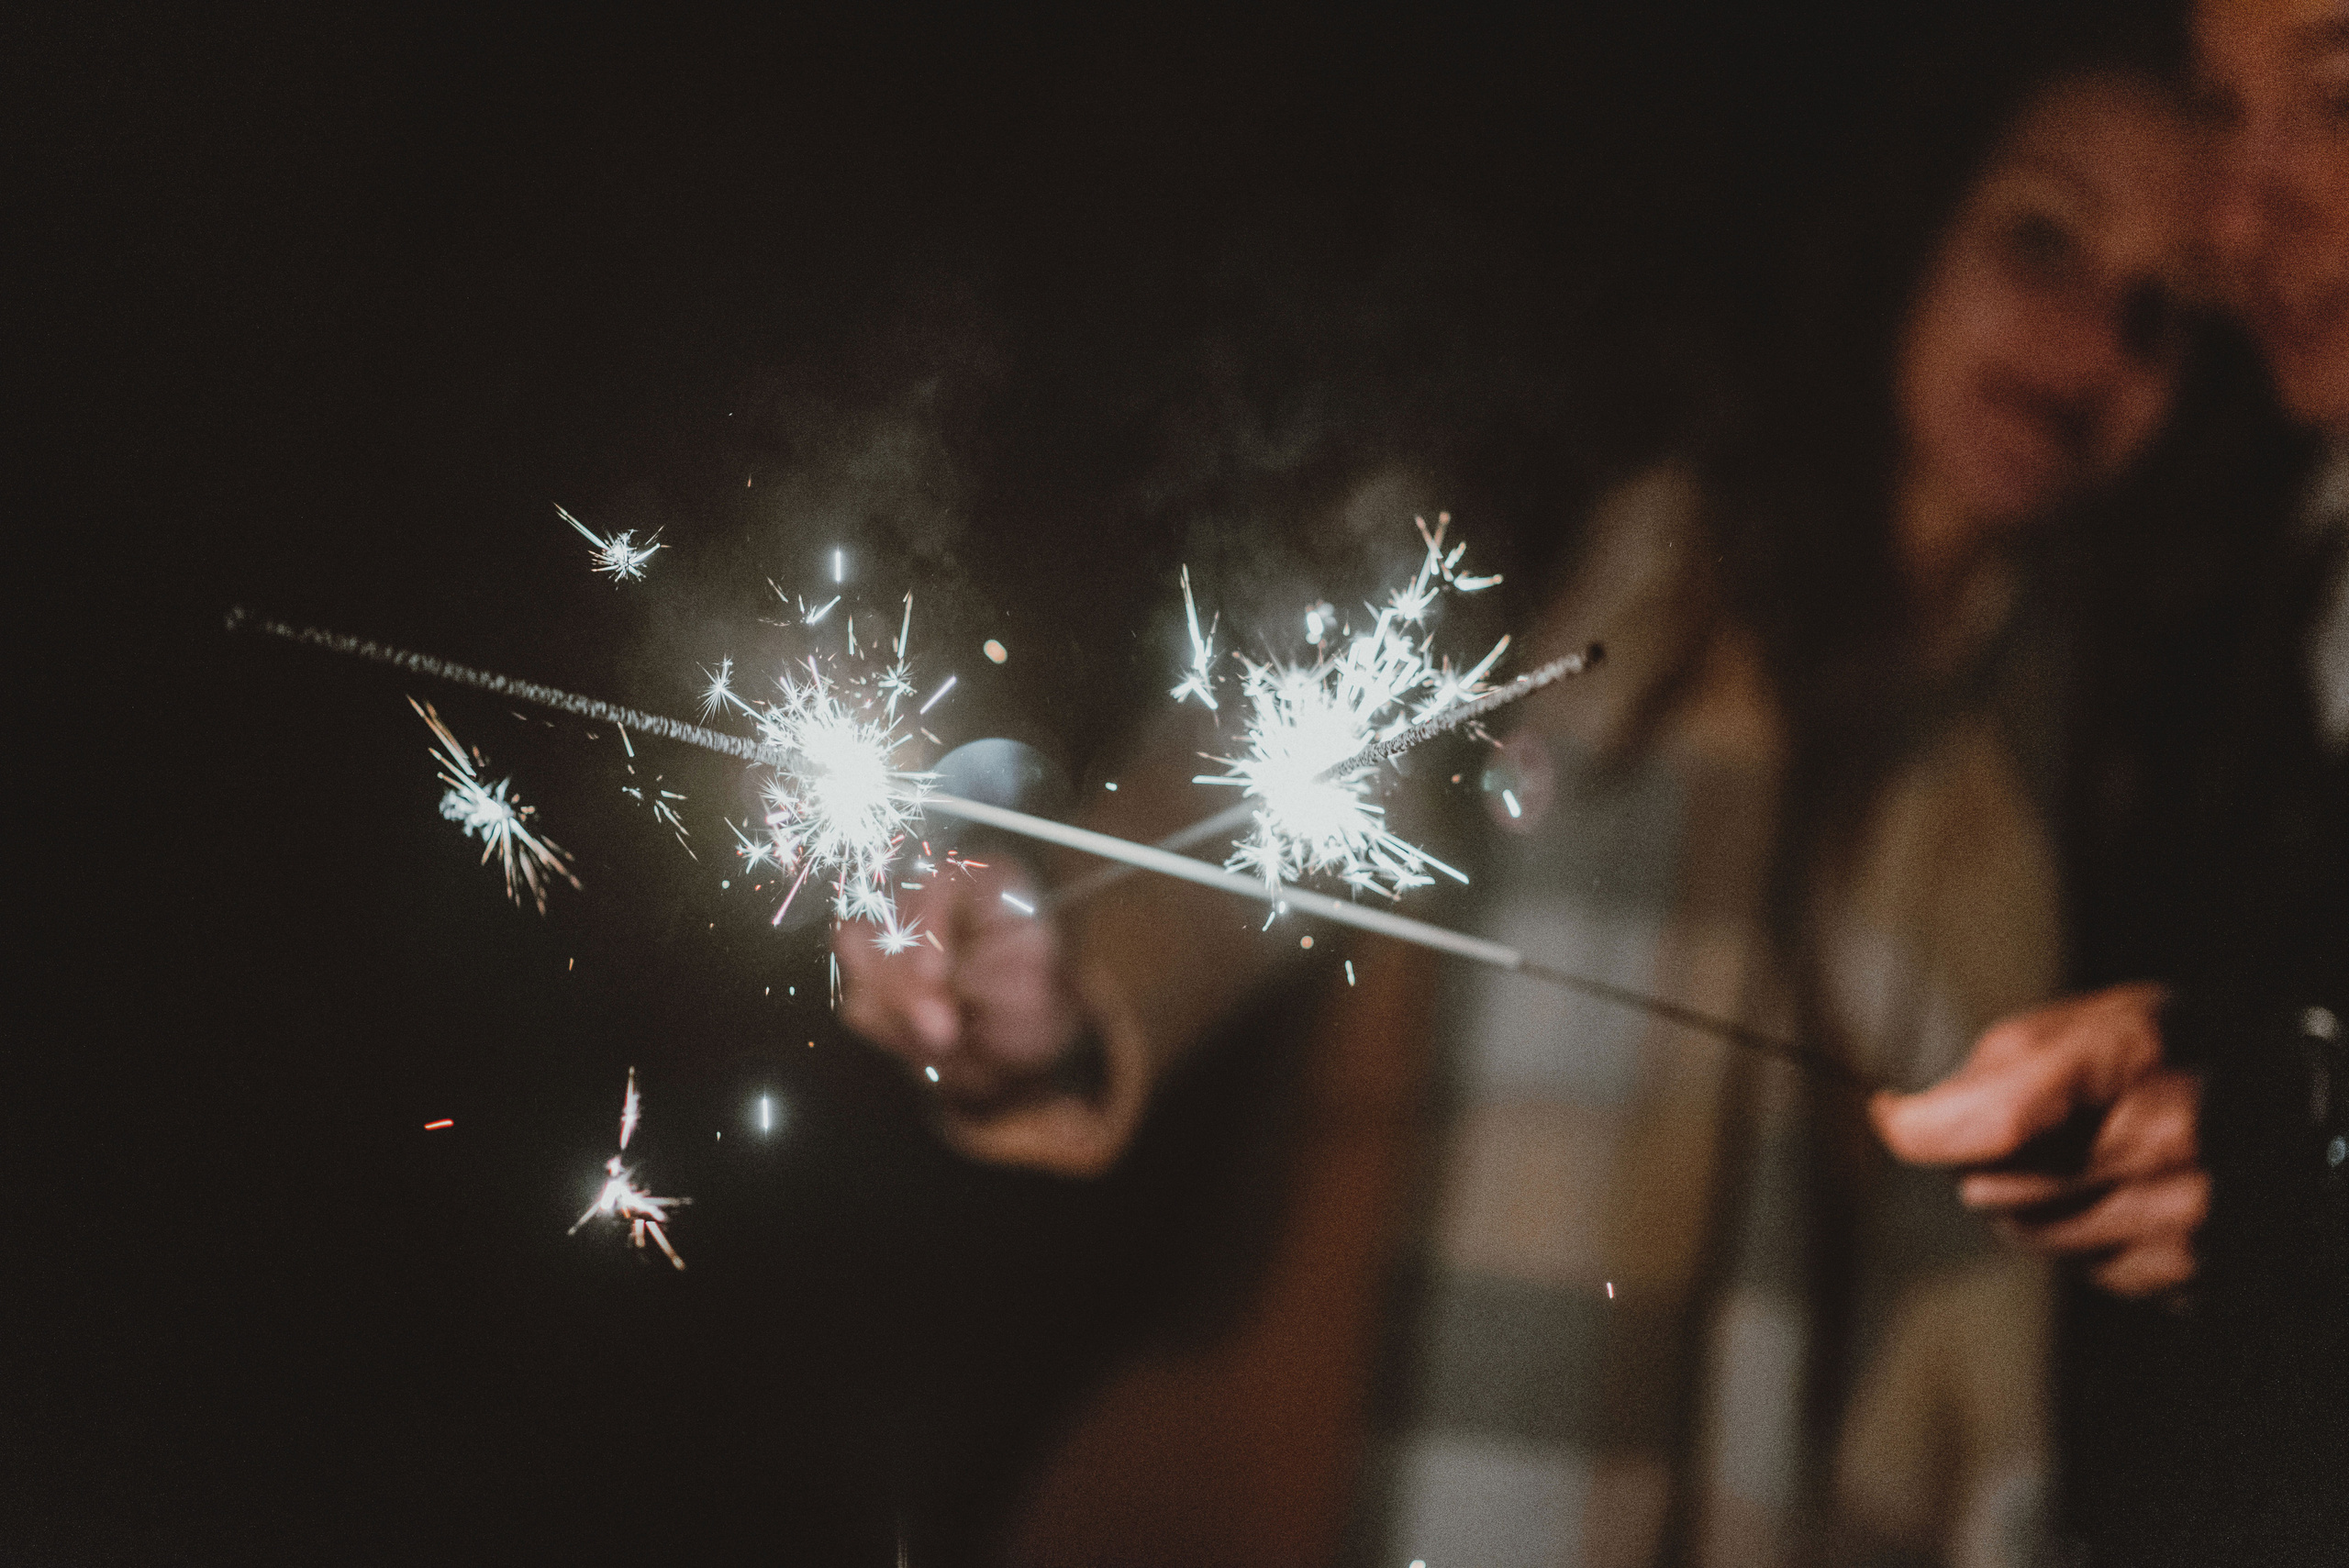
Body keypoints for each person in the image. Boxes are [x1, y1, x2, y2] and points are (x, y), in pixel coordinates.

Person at [841, 15, 2211, 1568]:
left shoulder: (2067, 784)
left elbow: (1978, 1380)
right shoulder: (1573, 545)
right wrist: (1057, 965)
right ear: (1919, 214)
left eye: (2165, 312)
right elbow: (1243, 797)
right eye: (2043, 236)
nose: (2091, 346)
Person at [1871, 0, 2347, 1559]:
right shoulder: (2190, 661)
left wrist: (2302, 1140)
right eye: (2223, 111)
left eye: (2341, 98)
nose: (2241, 216)